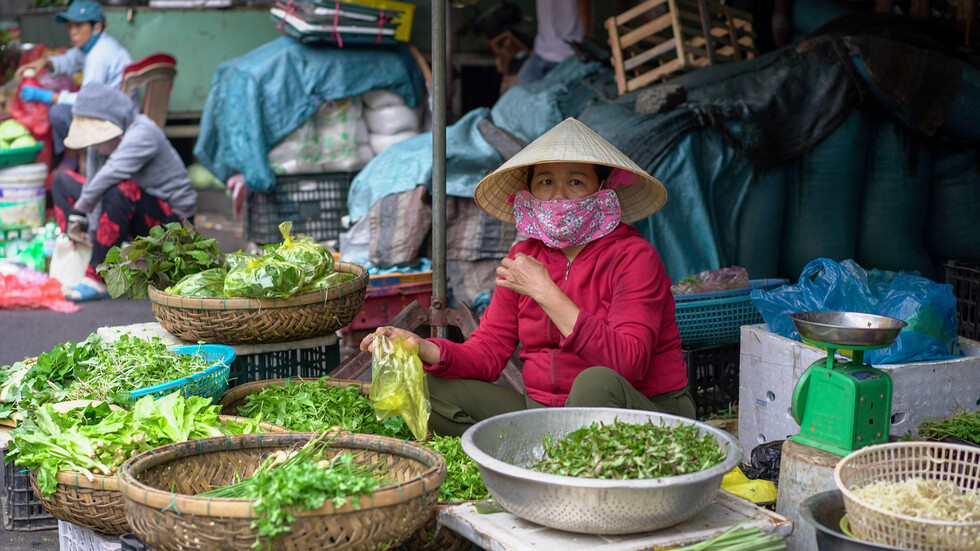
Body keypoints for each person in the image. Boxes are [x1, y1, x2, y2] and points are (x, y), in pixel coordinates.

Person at [361, 117, 695, 437]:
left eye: (575, 182)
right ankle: (538, 459)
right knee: (431, 389)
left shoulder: (634, 257)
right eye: (546, 182)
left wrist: (546, 292)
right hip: (544, 413)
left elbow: (628, 363)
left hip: (641, 412)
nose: (559, 195)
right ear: (531, 191)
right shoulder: (524, 260)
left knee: (596, 382)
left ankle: (554, 462)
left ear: (602, 188)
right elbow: (488, 353)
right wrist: (421, 347)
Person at [50, 82, 197, 302]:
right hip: (130, 207)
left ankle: (99, 276)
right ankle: (79, 248)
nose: (97, 147)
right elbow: (93, 183)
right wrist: (87, 225)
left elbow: (111, 174)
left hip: (172, 222)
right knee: (61, 181)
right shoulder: (98, 143)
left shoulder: (143, 132)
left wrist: (80, 209)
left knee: (119, 187)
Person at [15, 0, 132, 171]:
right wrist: (45, 62)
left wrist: (48, 96)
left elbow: (86, 101)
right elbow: (70, 60)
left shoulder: (99, 56)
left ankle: (72, 159)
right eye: (70, 26)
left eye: (78, 26)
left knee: (58, 113)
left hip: (111, 120)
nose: (72, 32)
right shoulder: (93, 46)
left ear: (97, 28)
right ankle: (72, 158)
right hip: (107, 110)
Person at [517, 0, 592, 84]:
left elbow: (585, 3)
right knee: (521, 91)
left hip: (568, 55)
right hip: (540, 51)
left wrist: (586, 42)